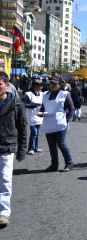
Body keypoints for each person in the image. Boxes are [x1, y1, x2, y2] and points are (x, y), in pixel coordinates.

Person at [0, 72, 27, 228]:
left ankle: (3, 213)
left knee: (5, 179)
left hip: (7, 146)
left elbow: (22, 128)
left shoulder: (16, 104)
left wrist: (21, 150)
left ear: (7, 86)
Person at [39, 76, 75, 172]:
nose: (52, 86)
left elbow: (72, 109)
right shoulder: (46, 95)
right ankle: (54, 165)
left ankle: (69, 163)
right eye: (51, 84)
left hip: (60, 124)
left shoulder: (65, 94)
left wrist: (66, 120)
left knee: (61, 144)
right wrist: (40, 113)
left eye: (55, 84)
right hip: (49, 124)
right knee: (51, 145)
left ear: (59, 85)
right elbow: (43, 108)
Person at [23, 79, 44, 154]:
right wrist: (35, 104)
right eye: (40, 85)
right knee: (34, 132)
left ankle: (36, 147)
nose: (41, 86)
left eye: (42, 85)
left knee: (37, 133)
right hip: (31, 115)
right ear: (35, 85)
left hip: (39, 115)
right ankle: (30, 148)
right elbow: (25, 104)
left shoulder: (42, 94)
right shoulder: (28, 94)